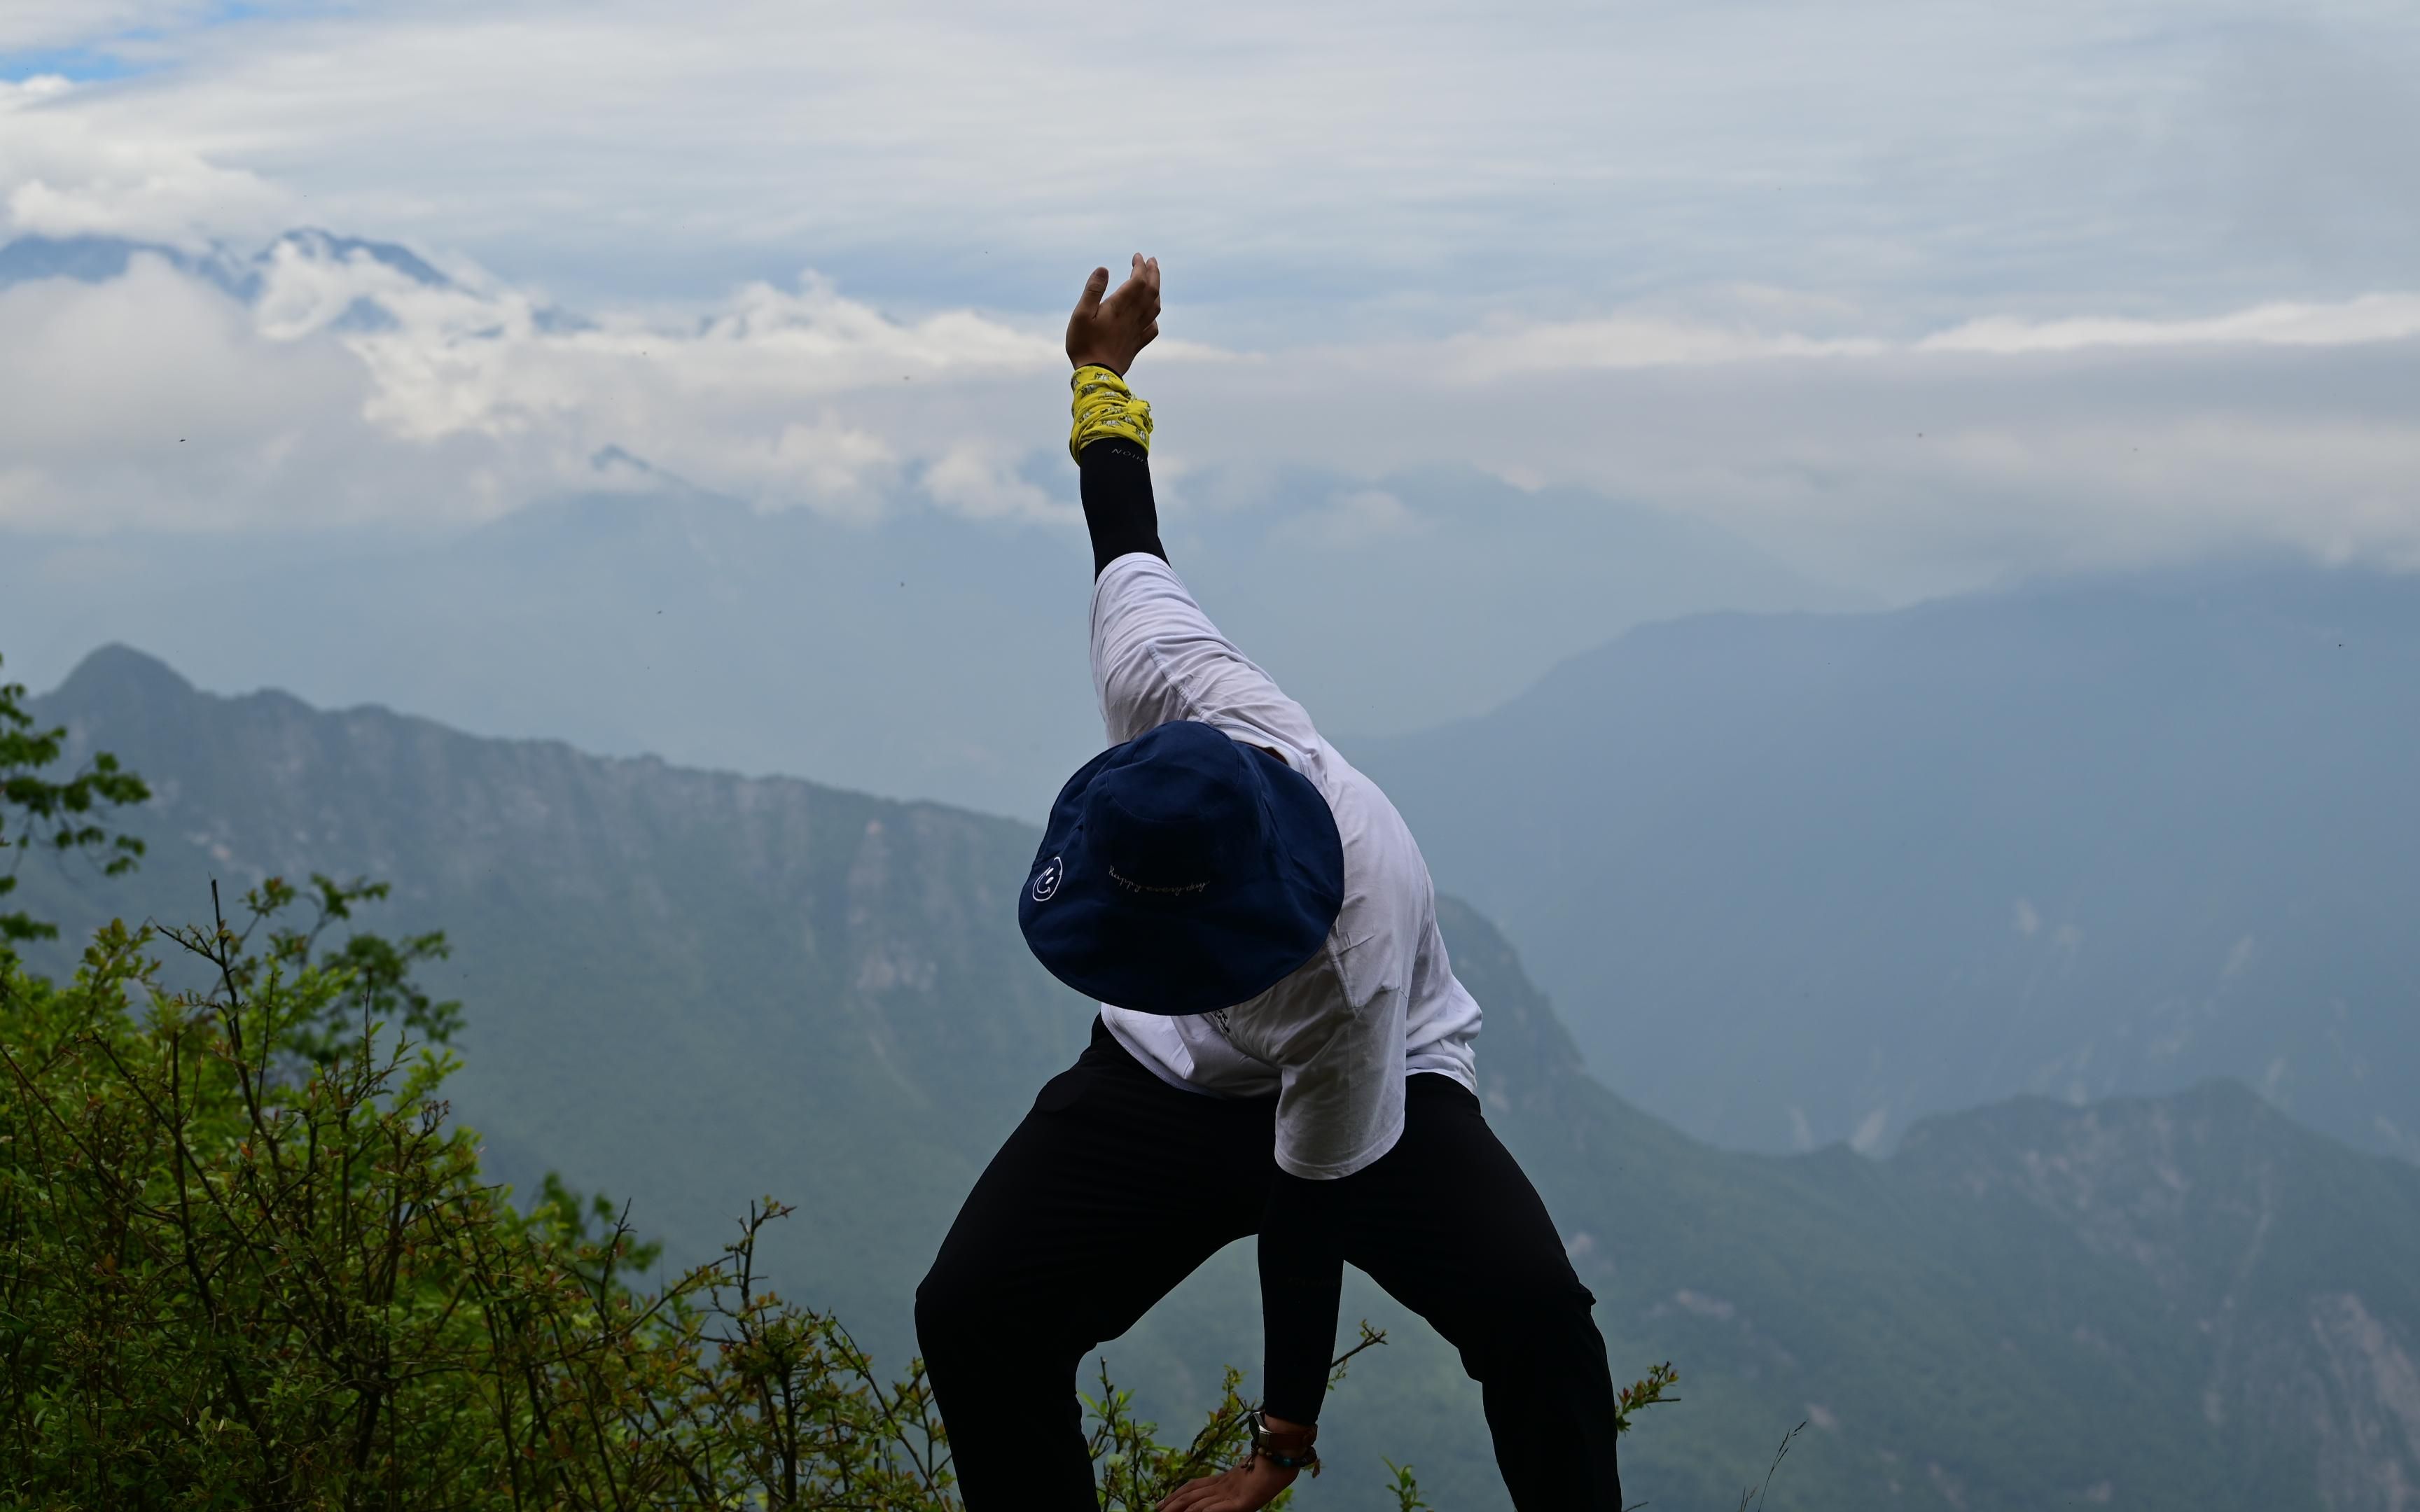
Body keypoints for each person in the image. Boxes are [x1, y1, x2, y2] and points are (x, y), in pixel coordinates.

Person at [915, 255, 1625, 1512]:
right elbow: (1123, 529)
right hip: (1162, 1079)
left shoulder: (1350, 956)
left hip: (1379, 1080)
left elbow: (1308, 1208)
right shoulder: (1166, 687)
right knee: (974, 1313)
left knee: (1538, 1325)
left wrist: (1275, 1456)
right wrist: (1100, 378)